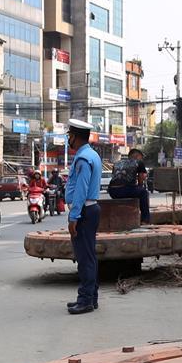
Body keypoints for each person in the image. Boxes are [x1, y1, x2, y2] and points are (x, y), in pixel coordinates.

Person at [65, 119, 103, 315]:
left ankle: (85, 300)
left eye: (69, 136)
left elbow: (81, 189)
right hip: (90, 210)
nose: (68, 139)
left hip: (84, 212)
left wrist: (74, 217)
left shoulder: (83, 159)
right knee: (89, 256)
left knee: (84, 258)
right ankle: (91, 297)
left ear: (75, 137)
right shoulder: (92, 155)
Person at [108, 148, 150, 224]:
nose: (141, 159)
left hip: (112, 191)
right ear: (137, 156)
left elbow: (116, 177)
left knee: (135, 190)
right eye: (141, 157)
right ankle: (145, 220)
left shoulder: (117, 163)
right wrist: (140, 187)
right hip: (125, 189)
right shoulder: (138, 162)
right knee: (143, 193)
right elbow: (141, 176)